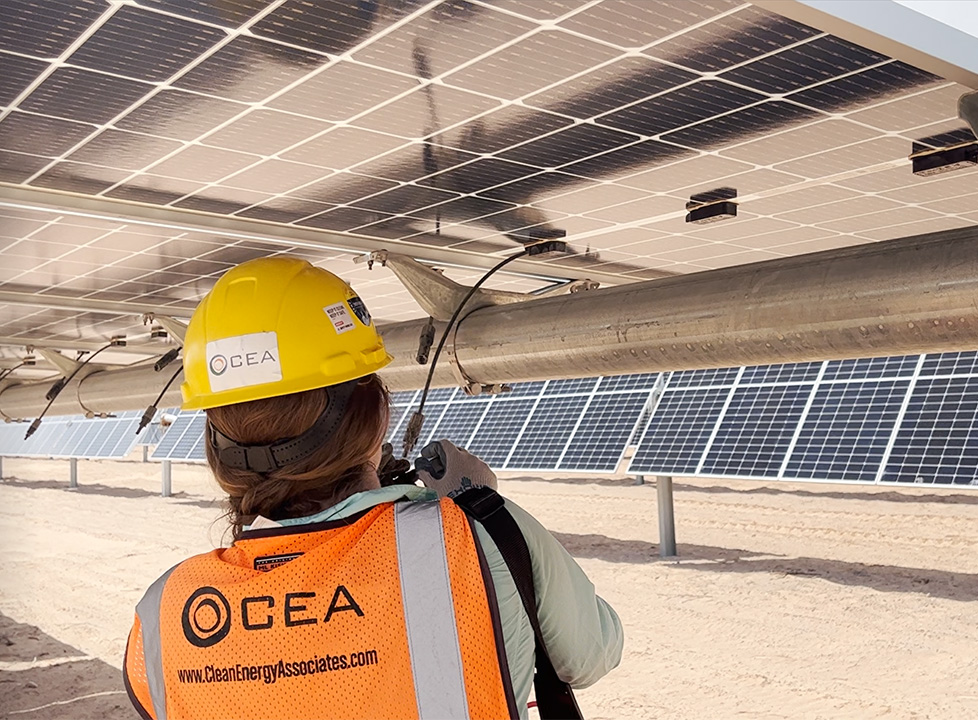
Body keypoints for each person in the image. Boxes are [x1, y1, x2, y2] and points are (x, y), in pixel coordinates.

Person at [123, 257, 623, 719]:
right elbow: (592, 653)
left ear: (216, 445)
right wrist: (481, 513)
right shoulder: (484, 537)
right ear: (376, 415)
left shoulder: (162, 613)